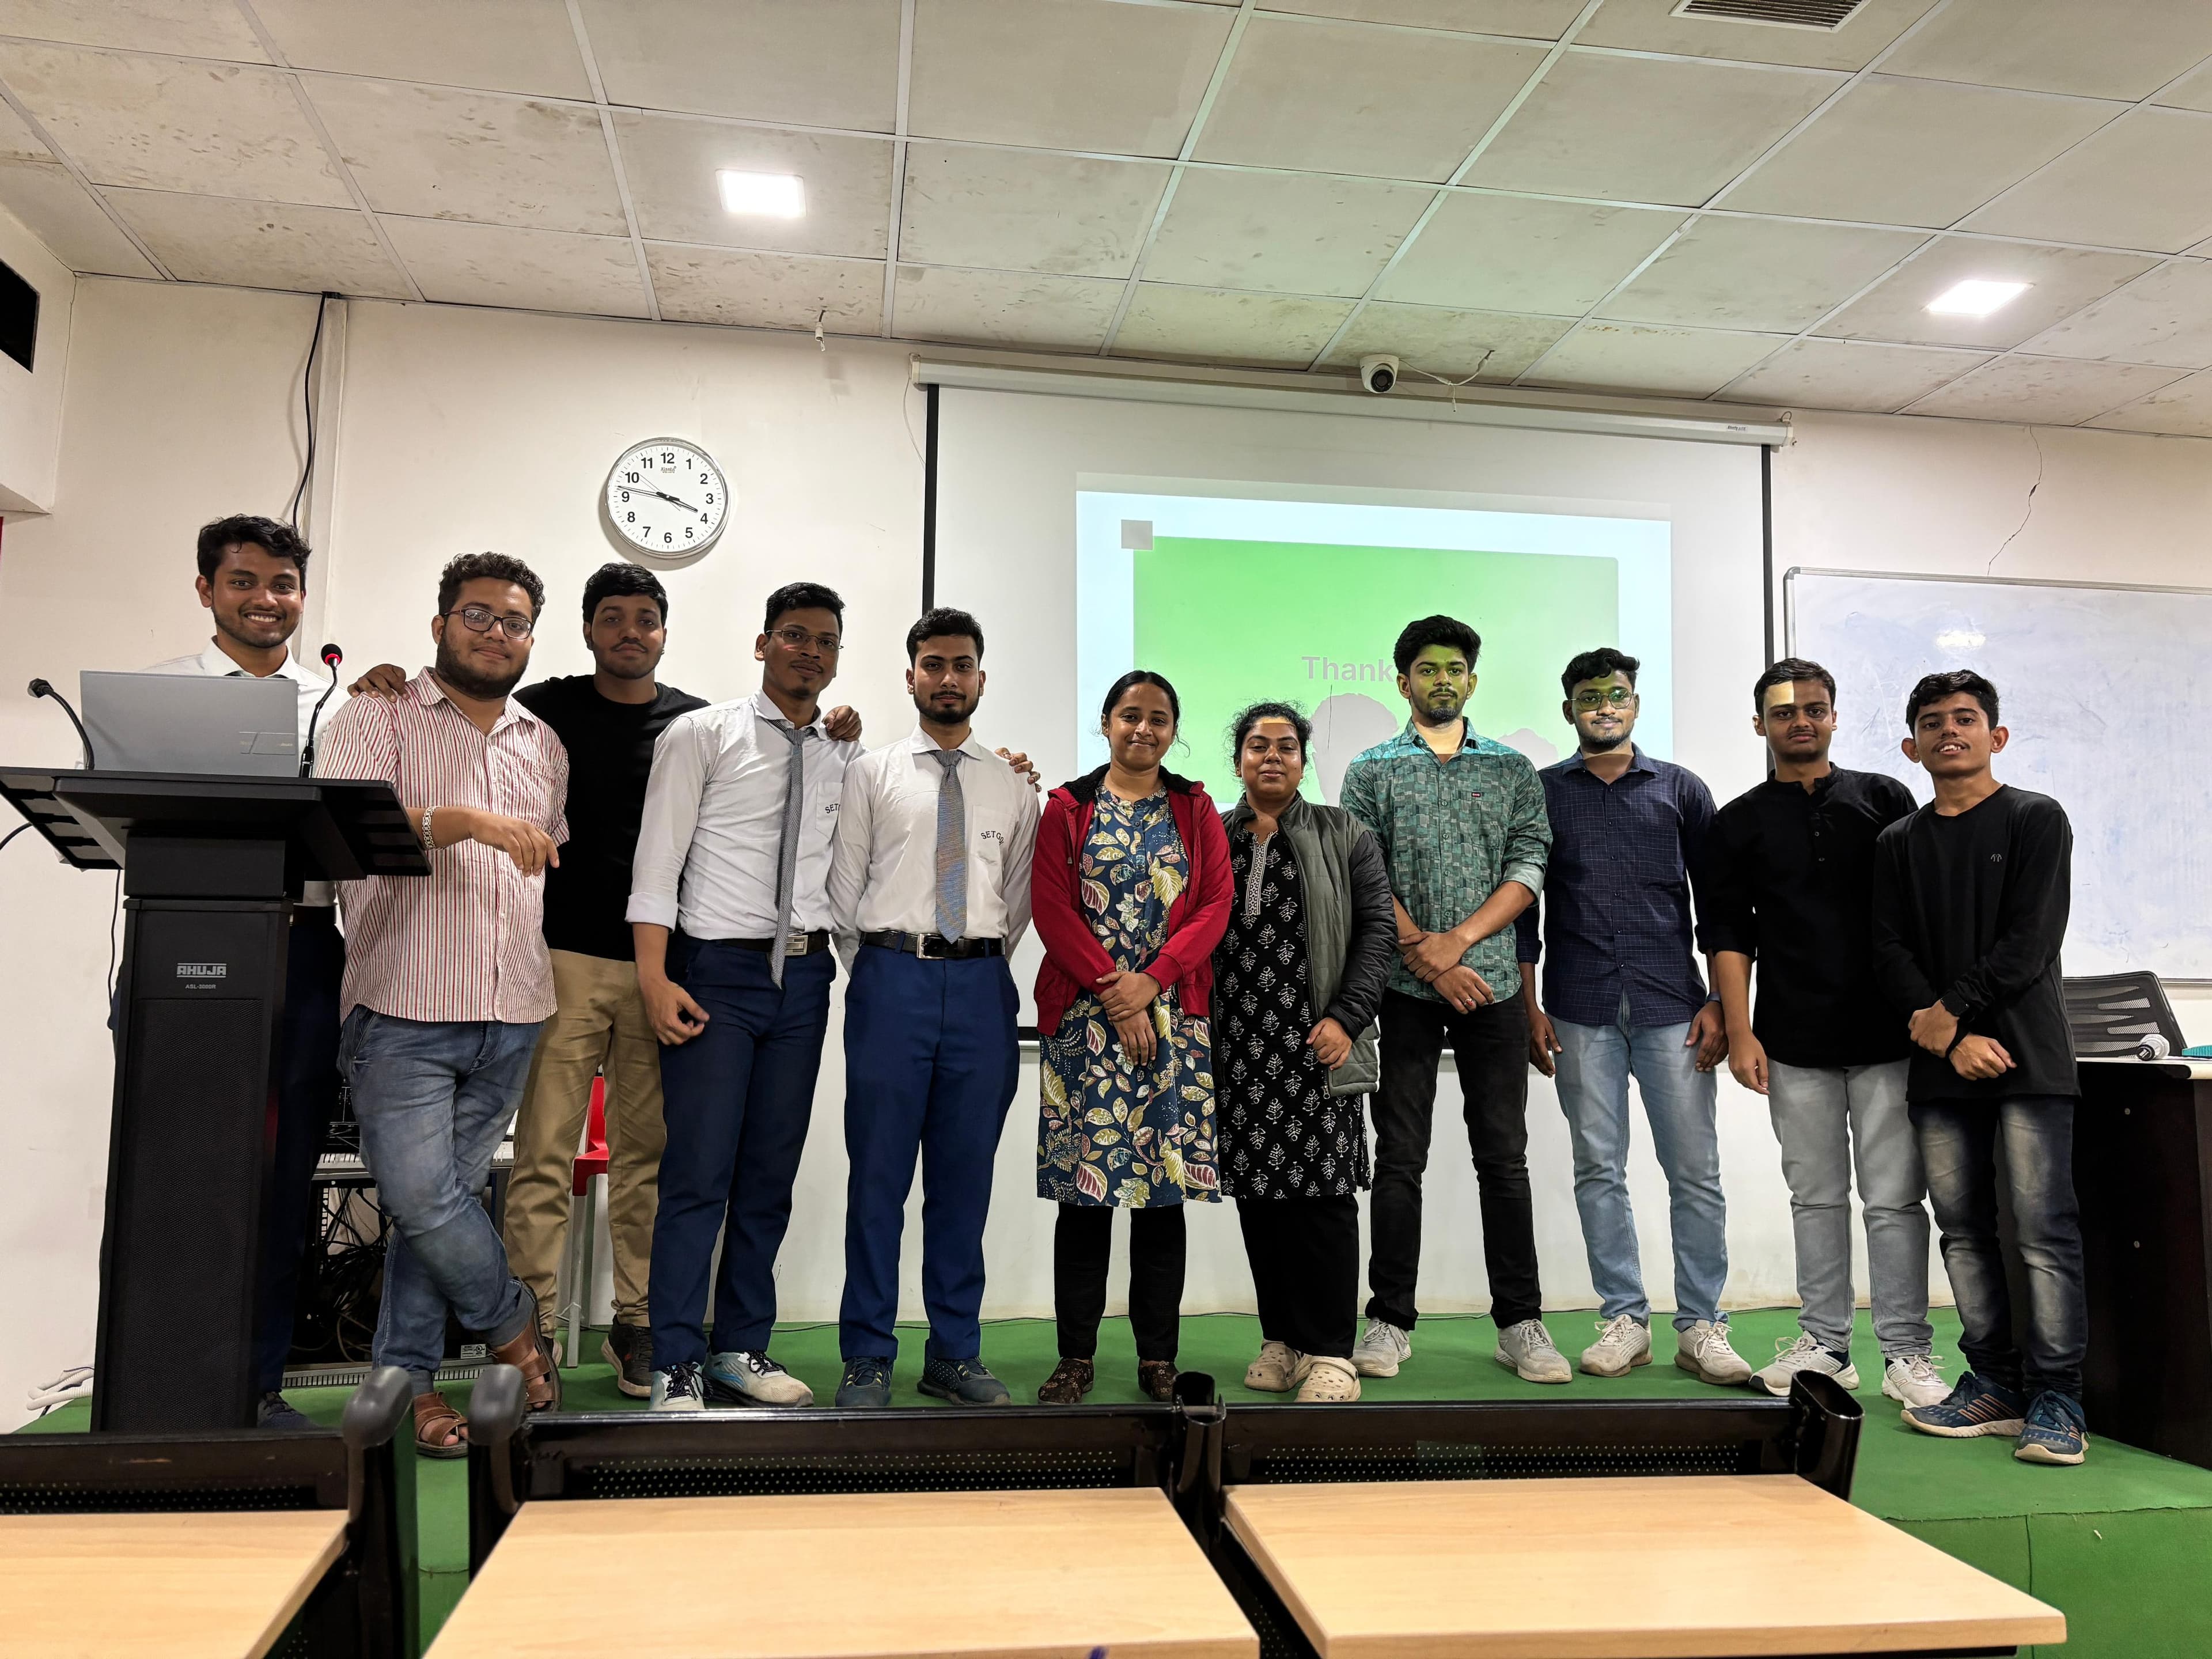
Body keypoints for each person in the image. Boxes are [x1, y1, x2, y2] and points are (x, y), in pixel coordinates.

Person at [315, 552, 569, 1456]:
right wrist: (460, 822)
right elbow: (342, 834)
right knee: (424, 1199)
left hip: (514, 1008)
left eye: (514, 621)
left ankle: (410, 1385)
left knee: (439, 1207)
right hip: (404, 1005)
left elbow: (543, 861)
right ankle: (511, 1323)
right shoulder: (377, 713)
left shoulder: (543, 743)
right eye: (478, 615)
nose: (496, 633)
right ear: (440, 625)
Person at [630, 582, 859, 1411]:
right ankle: (675, 1360)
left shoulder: (844, 753)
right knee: (698, 1175)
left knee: (769, 1176)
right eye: (794, 636)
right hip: (716, 975)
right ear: (763, 645)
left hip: (804, 977)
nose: (810, 652)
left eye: (825, 642)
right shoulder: (703, 734)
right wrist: (654, 977)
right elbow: (658, 861)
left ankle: (739, 1348)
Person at [1704, 659, 1946, 1407]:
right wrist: (1741, 1032)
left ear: (1835, 717)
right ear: (1760, 725)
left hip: (1888, 1037)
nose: (1800, 722)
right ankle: (1826, 1347)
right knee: (1814, 1198)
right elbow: (1728, 934)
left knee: (1895, 1199)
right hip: (1792, 1040)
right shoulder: (1736, 822)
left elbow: (1920, 913)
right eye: (1784, 712)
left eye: (1814, 709)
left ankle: (1907, 1353)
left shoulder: (1885, 798)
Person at [145, 514, 339, 1431]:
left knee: (282, 1175)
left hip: (304, 949)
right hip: (181, 943)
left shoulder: (336, 703)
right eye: (244, 581)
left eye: (283, 584)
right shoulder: (157, 696)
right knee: (171, 1168)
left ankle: (256, 1387)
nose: (266, 599)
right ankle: (153, 1383)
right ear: (206, 590)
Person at [1340, 616, 1563, 1385]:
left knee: (1503, 1157)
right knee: (1400, 1157)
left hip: (1492, 984)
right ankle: (1389, 1321)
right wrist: (1425, 958)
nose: (1443, 679)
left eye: (1455, 668)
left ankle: (1520, 1323)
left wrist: (1458, 943)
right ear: (1403, 681)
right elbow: (1364, 873)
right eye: (1428, 668)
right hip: (1402, 989)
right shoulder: (1371, 770)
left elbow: (1530, 863)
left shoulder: (1510, 769)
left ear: (1472, 680)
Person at [827, 608, 1041, 1408]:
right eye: (934, 664)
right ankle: (867, 1355)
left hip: (981, 989)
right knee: (877, 1181)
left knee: (964, 1182)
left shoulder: (1013, 785)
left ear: (981, 678)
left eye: (962, 665)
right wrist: (886, 971)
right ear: (911, 676)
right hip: (891, 982)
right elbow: (844, 892)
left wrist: (971, 965)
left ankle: (954, 1353)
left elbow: (1016, 899)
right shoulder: (871, 773)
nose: (948, 678)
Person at [1873, 670, 2088, 1465]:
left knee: (2042, 1231)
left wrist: (1951, 1012)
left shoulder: (2036, 818)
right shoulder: (1898, 842)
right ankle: (1993, 1383)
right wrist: (1947, 1037)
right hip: (1939, 1069)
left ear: (1996, 737)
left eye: (1965, 719)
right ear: (1912, 747)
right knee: (1962, 1232)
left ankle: (2058, 1396)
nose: (1949, 732)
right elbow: (1887, 949)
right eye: (1932, 723)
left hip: (2030, 1058)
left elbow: (2031, 941)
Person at [1516, 647, 1746, 1387]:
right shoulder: (1542, 793)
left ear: (1636, 706)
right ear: (1569, 710)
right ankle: (1625, 1319)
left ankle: (1702, 1325)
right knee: (1597, 1168)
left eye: (1616, 696)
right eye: (1590, 698)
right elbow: (1524, 914)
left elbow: (1720, 905)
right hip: (1578, 1008)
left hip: (1673, 1008)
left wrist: (1721, 1002)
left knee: (1695, 1172)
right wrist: (1529, 1006)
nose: (1604, 708)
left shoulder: (1681, 790)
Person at [1032, 671, 1232, 1404]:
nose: (1143, 728)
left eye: (1158, 718)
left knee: (1161, 1200)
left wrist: (1154, 981)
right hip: (1087, 1024)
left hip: (1173, 1021)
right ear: (1106, 722)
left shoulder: (1195, 807)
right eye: (1129, 715)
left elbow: (1215, 905)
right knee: (1084, 1203)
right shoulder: (1067, 807)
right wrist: (1118, 994)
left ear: (1173, 730)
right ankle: (1075, 1358)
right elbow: (1052, 908)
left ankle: (1157, 1360)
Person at [1214, 702, 1394, 1404]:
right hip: (1239, 1048)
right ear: (1238, 760)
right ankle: (1282, 1341)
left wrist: (1348, 1018)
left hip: (1318, 1045)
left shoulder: (1344, 832)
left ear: (1303, 758)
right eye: (1258, 746)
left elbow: (1378, 931)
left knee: (1321, 1200)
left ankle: (1331, 1353)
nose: (1272, 757)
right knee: (1259, 1199)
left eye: (1286, 746)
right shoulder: (1214, 835)